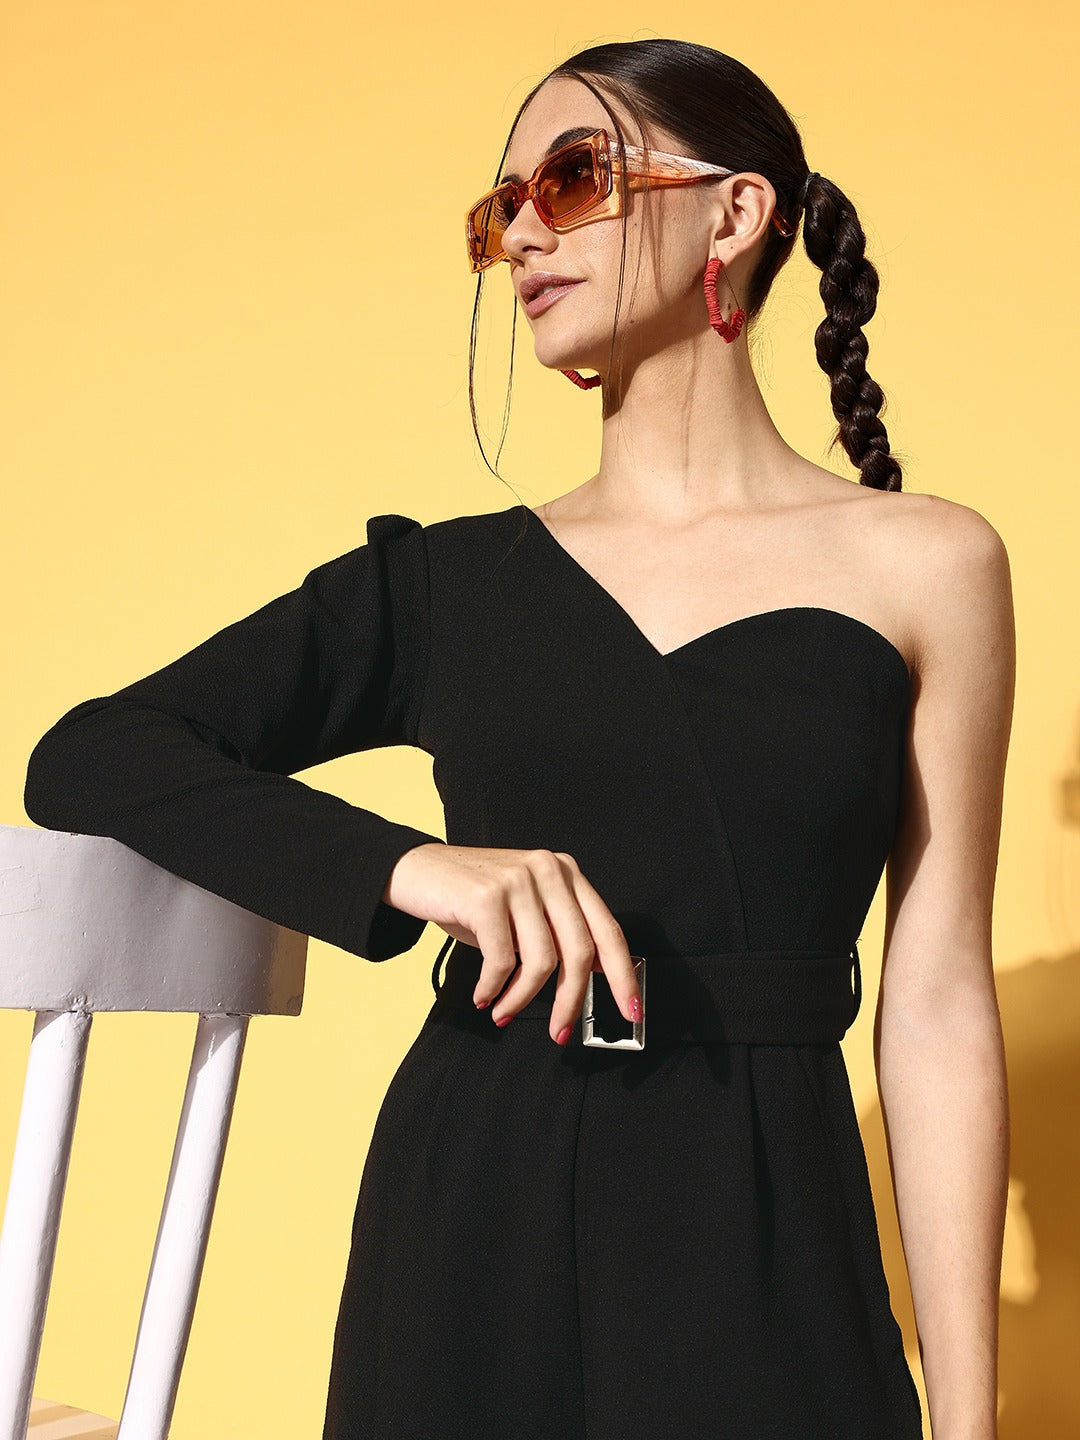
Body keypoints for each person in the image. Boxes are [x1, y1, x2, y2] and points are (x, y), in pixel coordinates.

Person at [23, 37, 1013, 1440]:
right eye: (502, 210)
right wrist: (412, 869)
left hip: (769, 1234)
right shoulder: (442, 586)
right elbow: (90, 753)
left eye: (572, 178)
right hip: (472, 1220)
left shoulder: (931, 566)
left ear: (735, 213)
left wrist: (969, 1418)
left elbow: (938, 1001)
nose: (526, 236)